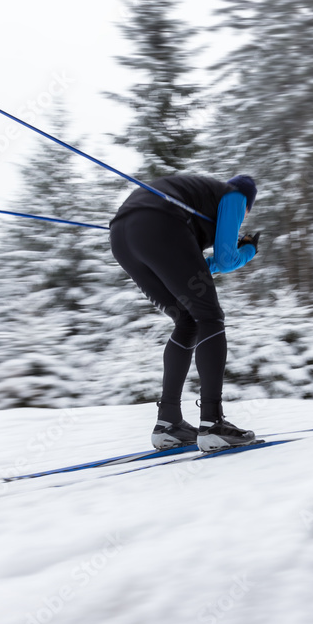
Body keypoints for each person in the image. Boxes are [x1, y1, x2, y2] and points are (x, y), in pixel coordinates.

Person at [109, 173, 261, 452]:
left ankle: (169, 423)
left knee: (188, 322)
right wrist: (249, 248)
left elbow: (191, 269)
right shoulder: (237, 195)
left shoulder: (200, 196)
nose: (243, 216)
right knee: (210, 318)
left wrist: (212, 262)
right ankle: (213, 424)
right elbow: (226, 259)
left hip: (122, 236)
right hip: (161, 224)